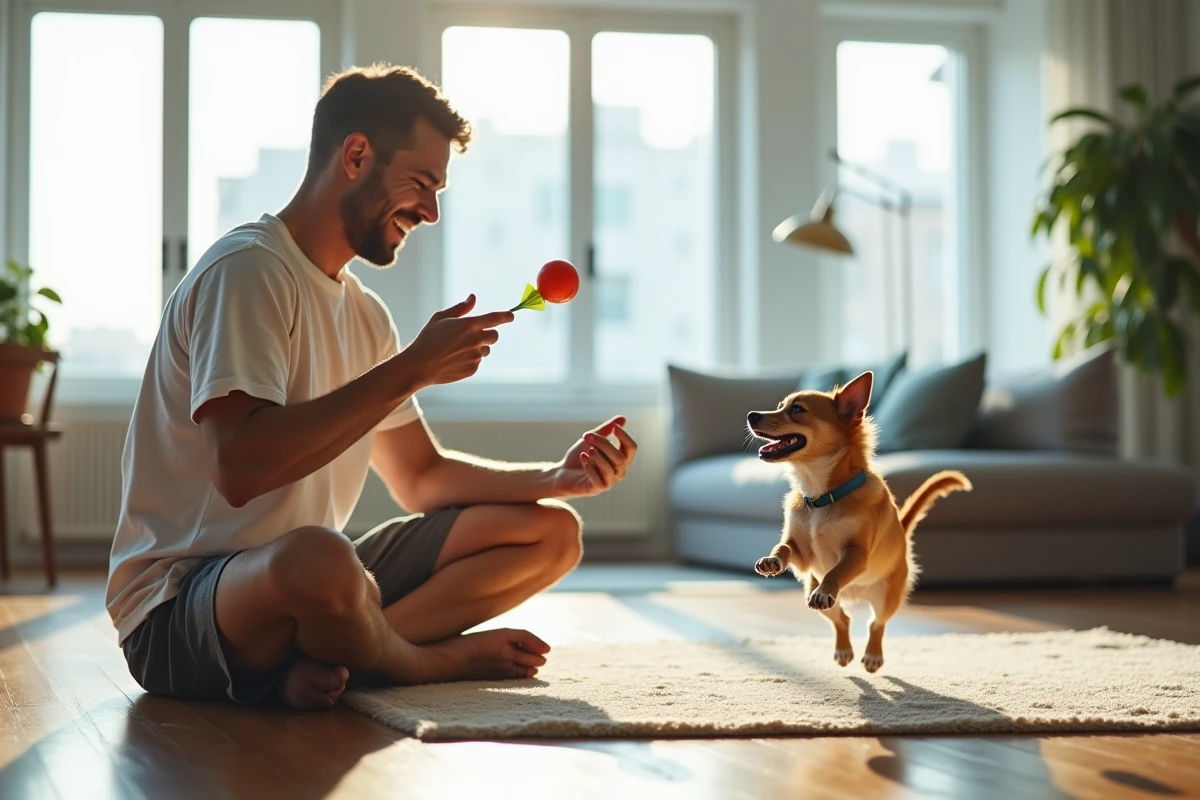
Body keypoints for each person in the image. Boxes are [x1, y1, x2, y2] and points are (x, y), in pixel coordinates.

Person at [105, 63, 637, 710]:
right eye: (421, 182)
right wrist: (411, 368)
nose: (432, 211)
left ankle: (335, 658)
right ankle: (414, 661)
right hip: (180, 609)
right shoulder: (250, 270)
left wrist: (556, 478)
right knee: (322, 559)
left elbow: (422, 479)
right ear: (356, 155)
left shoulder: (365, 314)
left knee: (553, 533)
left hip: (305, 584)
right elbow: (239, 468)